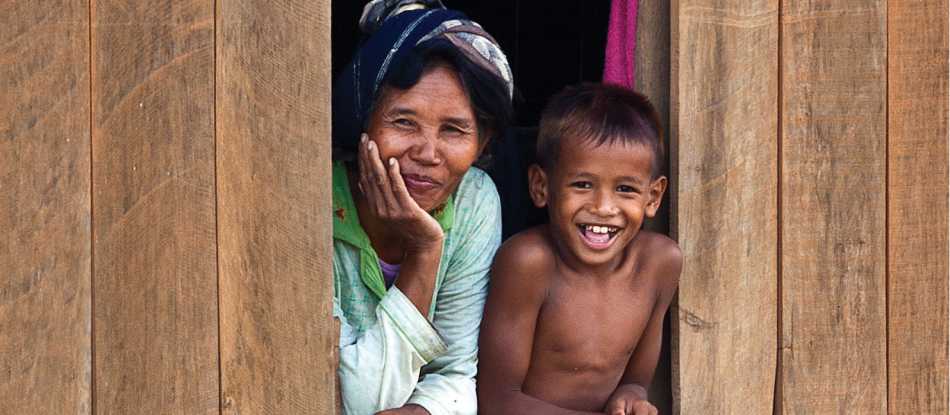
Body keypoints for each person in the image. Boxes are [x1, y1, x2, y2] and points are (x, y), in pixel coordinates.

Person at [331, 1, 513, 414]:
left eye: (454, 129)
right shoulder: (314, 198)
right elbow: (361, 400)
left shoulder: (474, 201)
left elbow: (454, 374)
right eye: (403, 122)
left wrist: (423, 411)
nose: (428, 153)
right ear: (363, 122)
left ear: (481, 144)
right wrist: (425, 250)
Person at [477, 83, 681, 415]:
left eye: (626, 189)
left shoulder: (660, 264)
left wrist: (629, 396)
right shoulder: (528, 263)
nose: (603, 207)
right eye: (583, 184)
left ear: (653, 198)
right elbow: (497, 401)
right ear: (541, 187)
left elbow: (636, 380)